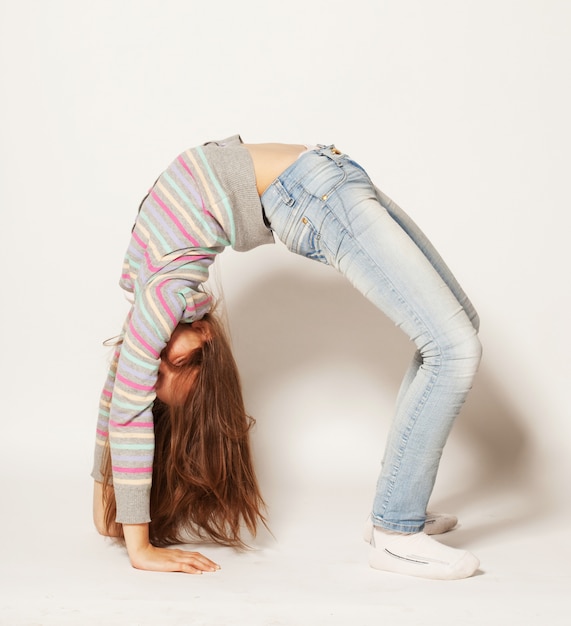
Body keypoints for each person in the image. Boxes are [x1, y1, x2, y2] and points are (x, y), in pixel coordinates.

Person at [92, 135, 482, 580]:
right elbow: (127, 413)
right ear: (203, 360)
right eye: (178, 365)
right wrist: (139, 546)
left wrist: (108, 508)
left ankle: (401, 499)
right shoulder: (162, 298)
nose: (155, 356)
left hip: (331, 173)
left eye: (152, 364)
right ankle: (396, 532)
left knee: (460, 325)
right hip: (314, 197)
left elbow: (117, 405)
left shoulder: (147, 288)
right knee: (452, 349)